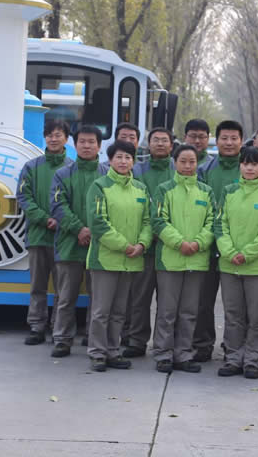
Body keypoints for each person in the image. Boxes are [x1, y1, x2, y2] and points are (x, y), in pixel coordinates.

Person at [215, 147, 258, 379]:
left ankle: (252, 359)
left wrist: (248, 254)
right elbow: (220, 224)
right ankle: (233, 358)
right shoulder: (229, 191)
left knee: (257, 317)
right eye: (245, 163)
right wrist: (229, 252)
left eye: (255, 164)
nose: (250, 168)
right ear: (240, 166)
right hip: (229, 264)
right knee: (233, 315)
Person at [85, 140, 152, 372]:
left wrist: (142, 244)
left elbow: (147, 221)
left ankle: (113, 351)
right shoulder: (99, 186)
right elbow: (98, 223)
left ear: (133, 161)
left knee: (119, 312)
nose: (123, 161)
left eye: (128, 157)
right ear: (110, 160)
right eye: (119, 157)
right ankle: (97, 353)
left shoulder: (141, 189)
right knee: (101, 311)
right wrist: (125, 246)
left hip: (131, 260)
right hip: (105, 260)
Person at [151, 144, 215, 374]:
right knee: (167, 311)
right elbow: (158, 221)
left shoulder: (206, 192)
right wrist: (180, 243)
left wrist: (198, 243)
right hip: (170, 260)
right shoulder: (164, 190)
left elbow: (212, 222)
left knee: (189, 311)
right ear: (175, 162)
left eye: (192, 161)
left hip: (197, 260)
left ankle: (183, 354)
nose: (188, 166)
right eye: (183, 161)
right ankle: (163, 354)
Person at [49, 125, 108, 357]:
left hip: (101, 246)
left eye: (91, 142)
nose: (86, 146)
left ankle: (94, 339)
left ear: (99, 146)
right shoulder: (62, 174)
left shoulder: (108, 175)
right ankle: (62, 339)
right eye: (82, 141)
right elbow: (58, 206)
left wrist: (94, 231)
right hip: (69, 244)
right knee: (66, 297)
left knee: (99, 298)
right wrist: (78, 229)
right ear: (74, 145)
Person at [17, 119, 72, 346]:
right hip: (38, 236)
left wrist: (62, 221)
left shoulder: (72, 168)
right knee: (37, 286)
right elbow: (23, 197)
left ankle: (58, 328)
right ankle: (36, 326)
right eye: (49, 135)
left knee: (63, 289)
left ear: (66, 139)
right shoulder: (31, 167)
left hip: (64, 238)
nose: (53, 139)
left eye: (58, 135)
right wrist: (44, 218)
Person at [122, 127, 176, 358]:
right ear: (148, 144)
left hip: (171, 247)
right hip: (143, 245)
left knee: (169, 302)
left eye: (164, 140)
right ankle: (136, 340)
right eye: (156, 140)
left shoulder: (178, 170)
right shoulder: (137, 170)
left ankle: (166, 343)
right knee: (139, 298)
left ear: (171, 145)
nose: (160, 144)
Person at [193, 119, 244, 362]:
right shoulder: (205, 170)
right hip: (209, 247)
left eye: (234, 138)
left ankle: (234, 347)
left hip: (238, 249)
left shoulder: (248, 169)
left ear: (241, 141)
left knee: (236, 305)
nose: (229, 143)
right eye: (224, 138)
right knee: (203, 302)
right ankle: (202, 345)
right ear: (217, 140)